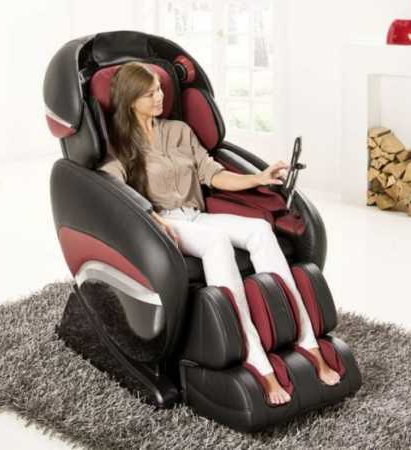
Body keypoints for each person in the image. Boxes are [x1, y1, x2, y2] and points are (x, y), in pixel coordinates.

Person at [99, 62, 340, 406]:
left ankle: (307, 341)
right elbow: (113, 186)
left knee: (260, 231)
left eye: (160, 89)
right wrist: (149, 216)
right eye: (150, 93)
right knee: (216, 242)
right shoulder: (120, 144)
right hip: (162, 224)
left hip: (196, 215)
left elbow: (212, 173)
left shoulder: (179, 130)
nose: (160, 97)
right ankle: (255, 358)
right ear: (130, 99)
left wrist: (259, 178)